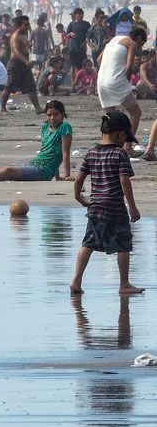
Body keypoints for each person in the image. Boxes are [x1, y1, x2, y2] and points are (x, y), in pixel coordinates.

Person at [69, 112, 144, 295]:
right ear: (120, 134)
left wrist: (79, 197)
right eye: (126, 137)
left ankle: (76, 281)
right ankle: (124, 284)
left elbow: (78, 179)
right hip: (115, 207)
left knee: (88, 243)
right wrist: (132, 207)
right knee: (123, 244)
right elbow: (124, 180)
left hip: (95, 206)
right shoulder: (120, 154)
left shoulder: (91, 152)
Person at [97, 28, 147, 150]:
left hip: (102, 81)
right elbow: (129, 68)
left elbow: (98, 60)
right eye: (142, 43)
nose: (140, 47)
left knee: (109, 116)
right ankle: (128, 147)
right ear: (139, 38)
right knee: (136, 113)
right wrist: (127, 79)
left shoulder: (114, 39)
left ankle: (107, 145)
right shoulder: (132, 43)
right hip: (116, 82)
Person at [0, 15, 44, 115]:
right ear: (19, 25)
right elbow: (15, 51)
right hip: (15, 65)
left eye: (28, 24)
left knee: (31, 86)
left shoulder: (24, 35)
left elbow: (25, 44)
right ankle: (2, 109)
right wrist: (26, 61)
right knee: (9, 87)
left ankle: (38, 108)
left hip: (24, 66)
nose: (28, 26)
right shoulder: (15, 36)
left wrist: (28, 44)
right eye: (25, 25)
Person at [65, 8, 90, 85]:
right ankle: (73, 82)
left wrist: (85, 42)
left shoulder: (86, 24)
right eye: (79, 14)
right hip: (72, 48)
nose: (81, 16)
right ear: (75, 15)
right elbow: (66, 35)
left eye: (82, 14)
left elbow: (89, 35)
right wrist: (70, 34)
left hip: (82, 48)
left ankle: (83, 82)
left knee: (83, 65)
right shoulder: (71, 24)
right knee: (73, 65)